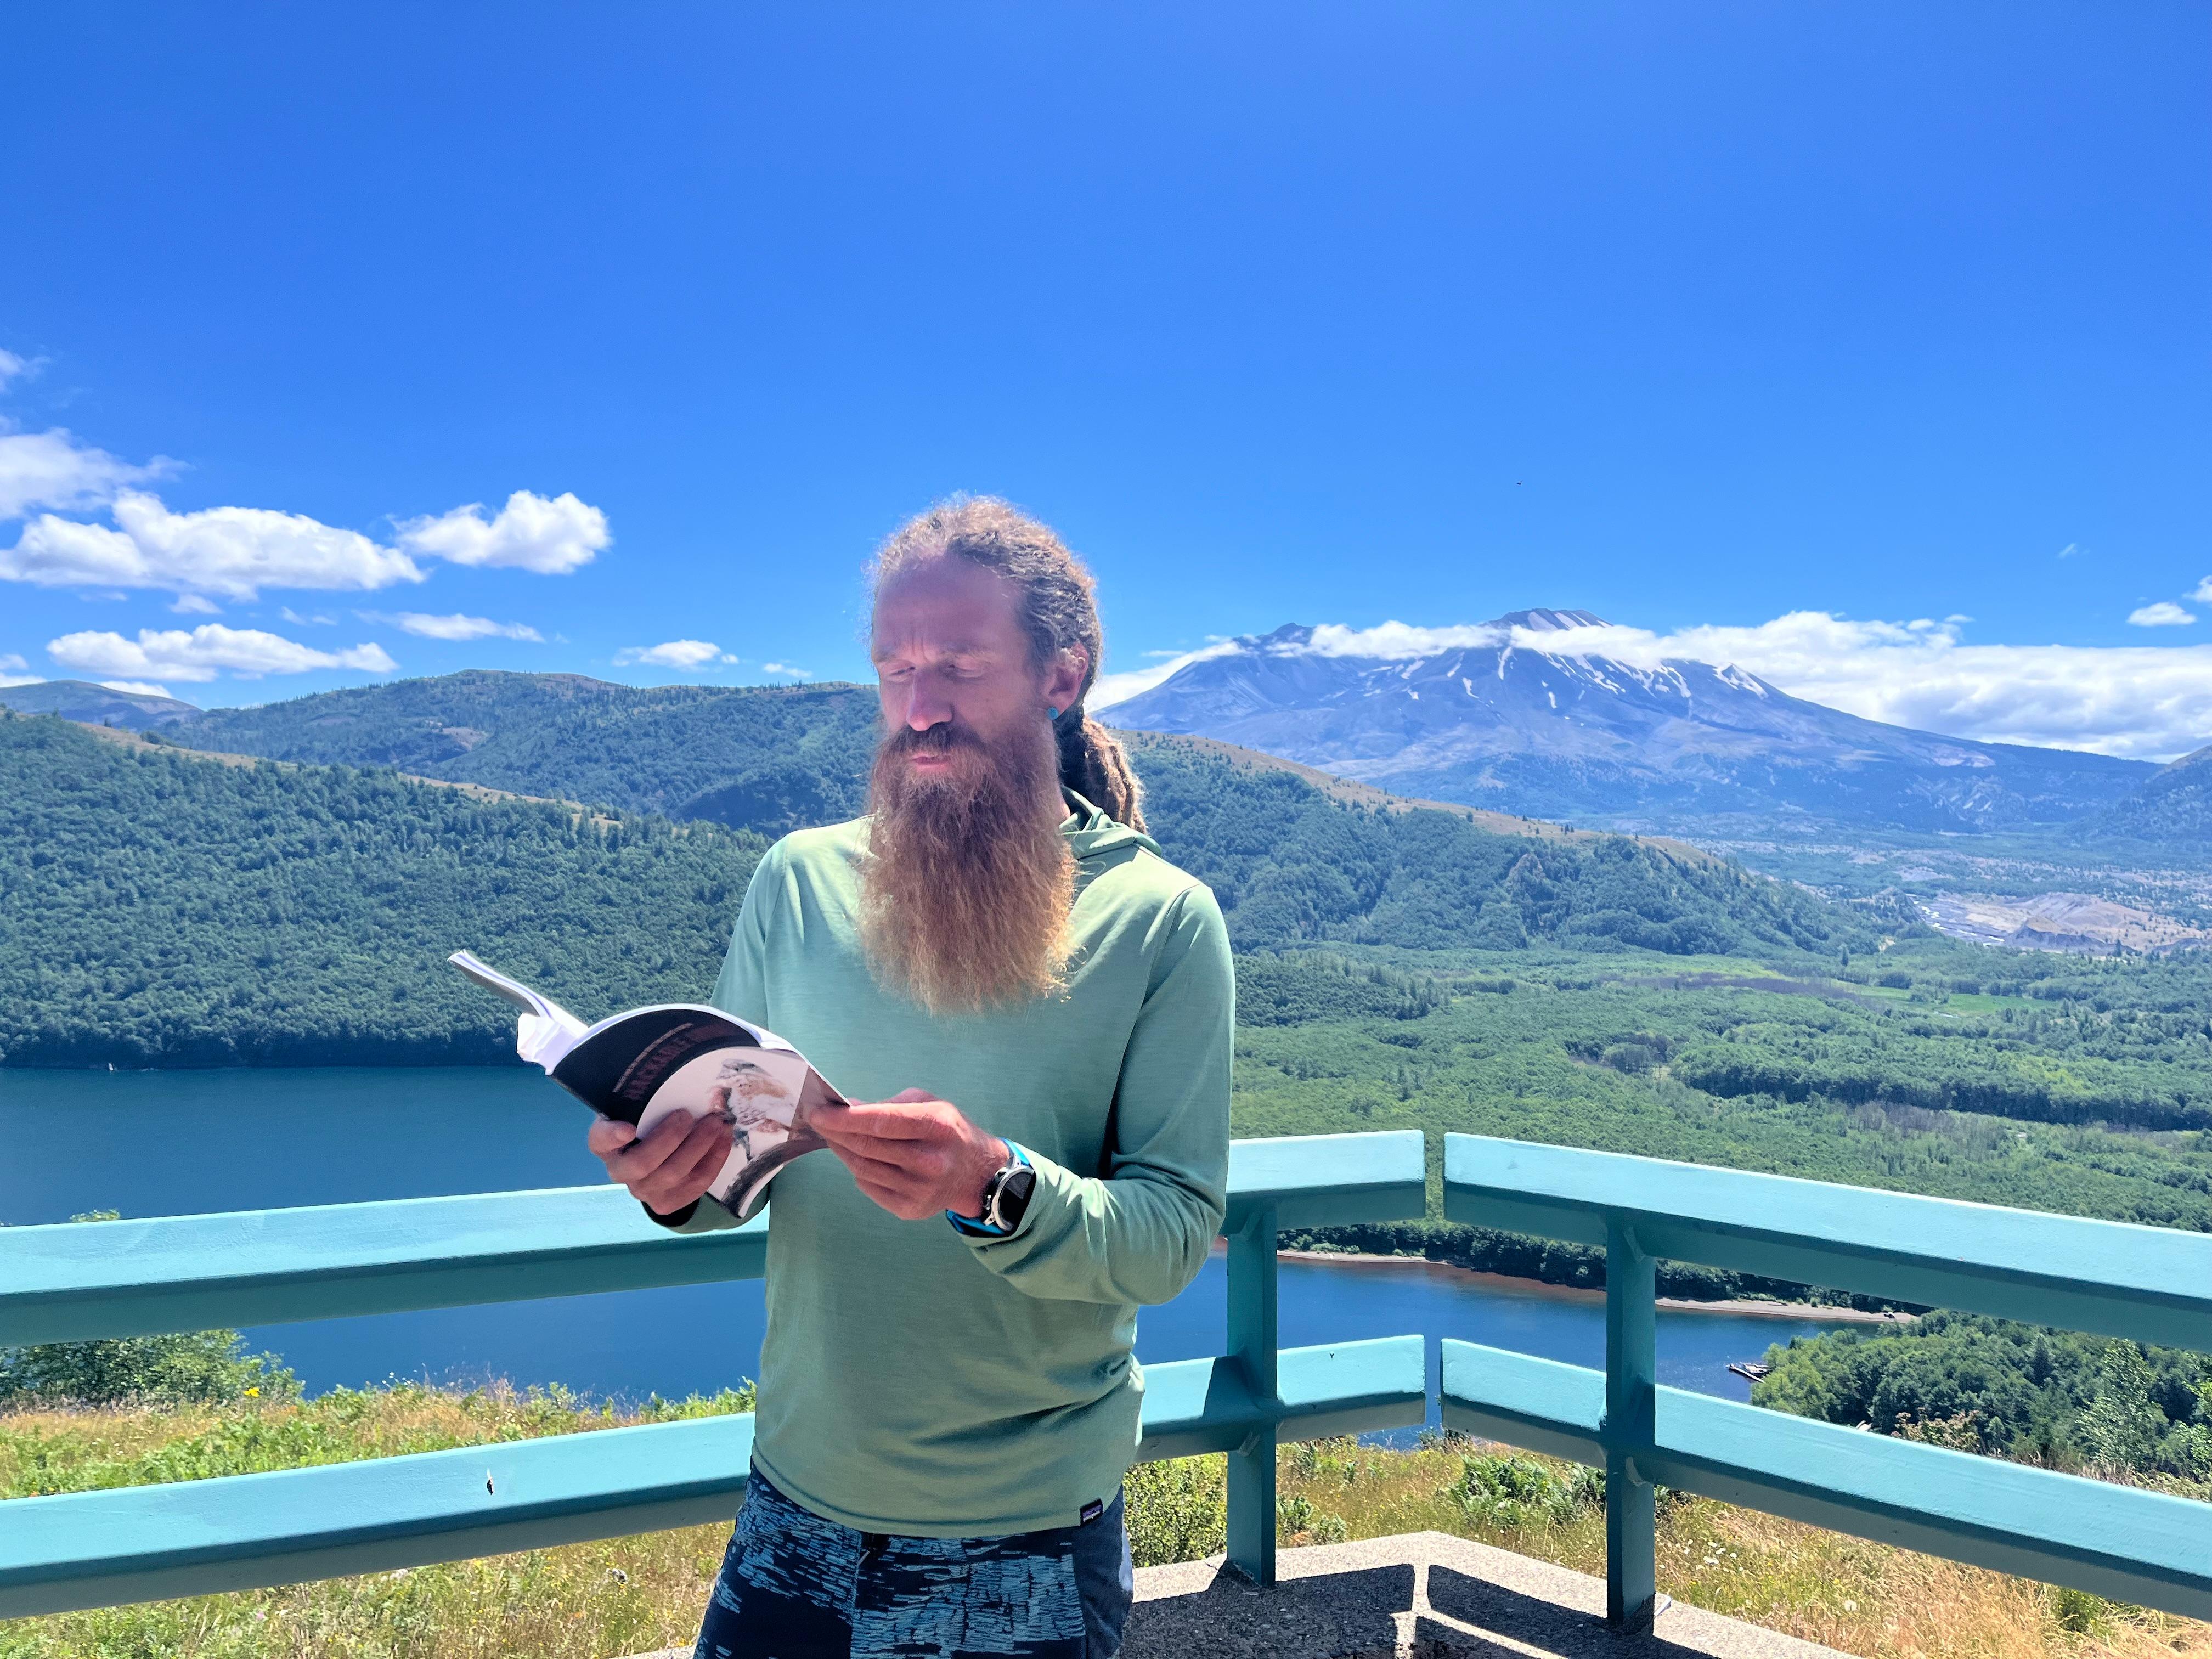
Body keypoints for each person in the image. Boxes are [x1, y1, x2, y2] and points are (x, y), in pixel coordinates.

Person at [588, 498, 1235, 1659]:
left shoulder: (1162, 919)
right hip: (794, 1497)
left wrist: (996, 1184)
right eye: (893, 670)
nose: (918, 708)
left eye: (957, 667)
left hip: (1027, 1538)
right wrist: (670, 1178)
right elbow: (736, 1168)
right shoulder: (796, 883)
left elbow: (1173, 1235)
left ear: (1062, 673)